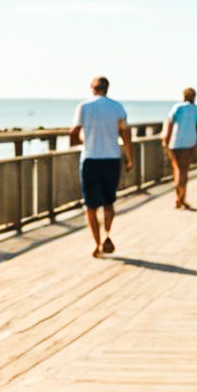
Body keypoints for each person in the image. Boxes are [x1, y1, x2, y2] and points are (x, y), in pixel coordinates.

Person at [70, 76, 133, 258]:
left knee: (90, 206)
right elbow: (125, 133)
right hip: (112, 160)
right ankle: (107, 235)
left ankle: (97, 244)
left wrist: (83, 140)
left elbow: (74, 132)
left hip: (90, 159)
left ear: (92, 88)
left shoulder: (84, 107)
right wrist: (130, 158)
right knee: (109, 202)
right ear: (107, 88)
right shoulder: (117, 107)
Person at [163, 87, 197, 210]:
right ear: (193, 97)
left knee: (177, 170)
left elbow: (169, 124)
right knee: (184, 172)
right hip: (188, 145)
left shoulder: (177, 107)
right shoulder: (195, 109)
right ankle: (180, 198)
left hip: (174, 144)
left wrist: (166, 140)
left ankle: (180, 199)